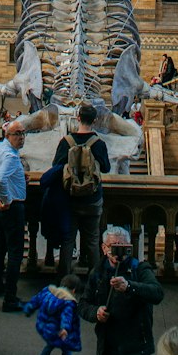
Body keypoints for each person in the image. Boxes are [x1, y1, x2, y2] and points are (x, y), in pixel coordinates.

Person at [79, 225, 164, 355]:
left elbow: (157, 293)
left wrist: (130, 287)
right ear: (103, 248)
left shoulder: (139, 269)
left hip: (136, 349)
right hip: (109, 350)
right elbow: (83, 304)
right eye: (113, 246)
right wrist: (96, 313)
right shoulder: (98, 272)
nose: (118, 252)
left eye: (122, 246)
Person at [52, 101, 110, 274]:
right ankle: (95, 281)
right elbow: (106, 168)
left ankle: (64, 281)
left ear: (77, 118)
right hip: (92, 199)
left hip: (70, 198)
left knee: (68, 240)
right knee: (93, 240)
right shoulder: (99, 143)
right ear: (94, 120)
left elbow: (56, 166)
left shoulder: (66, 141)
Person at [0, 120, 28, 312]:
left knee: (0, 247)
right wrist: (6, 200)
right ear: (8, 135)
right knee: (15, 253)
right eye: (17, 134)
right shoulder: (11, 157)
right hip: (10, 209)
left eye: (23, 133)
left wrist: (19, 176)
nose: (21, 138)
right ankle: (10, 299)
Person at [24, 272, 82, 355]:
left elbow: (36, 299)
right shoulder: (68, 302)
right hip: (59, 330)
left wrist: (28, 308)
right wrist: (65, 329)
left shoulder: (48, 291)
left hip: (45, 327)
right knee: (67, 349)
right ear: (74, 290)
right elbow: (67, 316)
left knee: (50, 344)